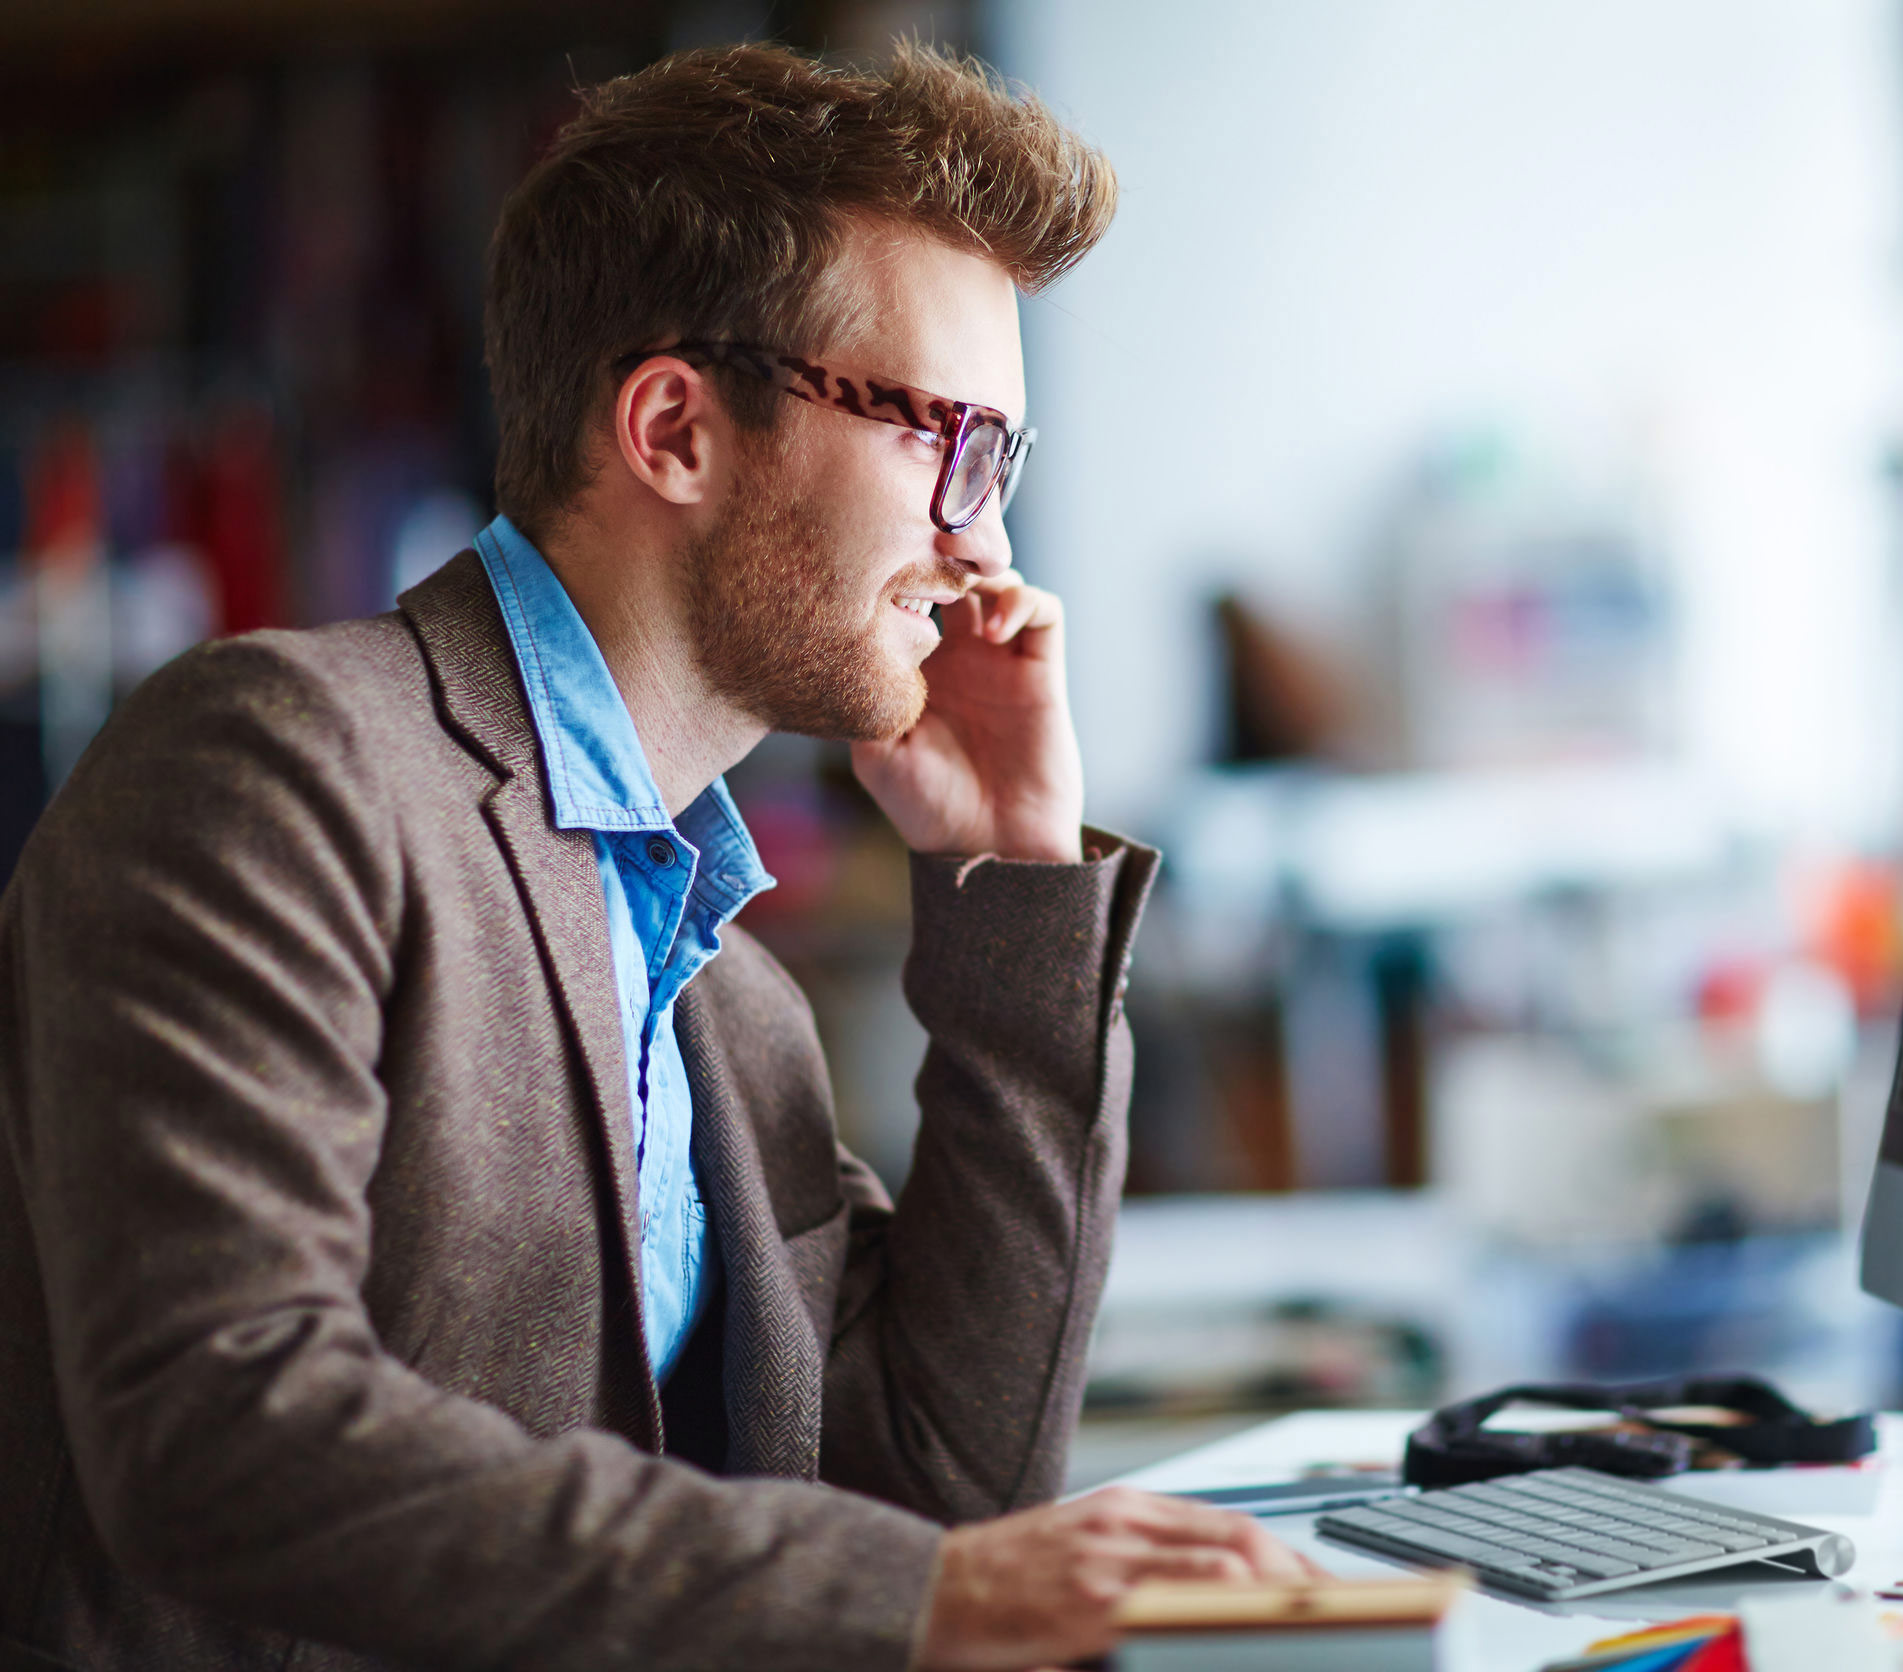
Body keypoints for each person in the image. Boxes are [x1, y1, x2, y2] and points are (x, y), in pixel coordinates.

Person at [0, 42, 1305, 1672]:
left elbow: (949, 1490)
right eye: (948, 442)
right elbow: (218, 1426)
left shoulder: (725, 992)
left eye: (1004, 467)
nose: (986, 544)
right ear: (676, 427)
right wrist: (917, 1597)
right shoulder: (276, 766)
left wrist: (1019, 881)